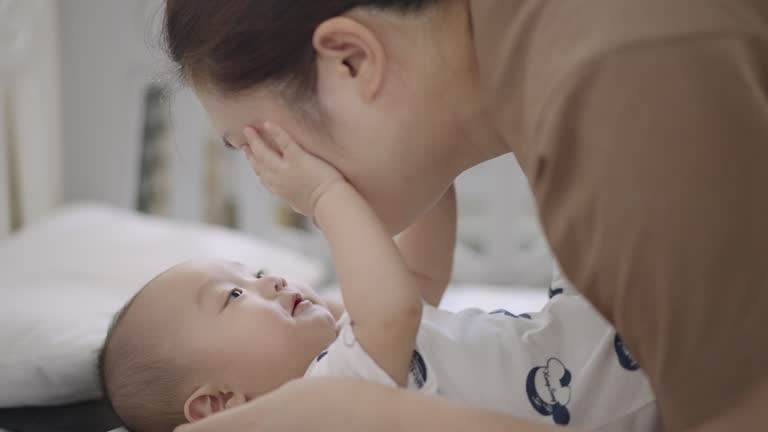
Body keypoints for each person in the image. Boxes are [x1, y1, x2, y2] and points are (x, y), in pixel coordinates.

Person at [161, 0, 768, 431]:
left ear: (351, 60)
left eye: (268, 151)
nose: (278, 185)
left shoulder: (615, 78)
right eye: (257, 155)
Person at [100, 126, 657, 432]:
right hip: (615, 379)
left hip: (593, 343)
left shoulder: (348, 346)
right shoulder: (322, 402)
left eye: (258, 271)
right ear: (218, 404)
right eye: (234, 295)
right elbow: (392, 308)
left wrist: (428, 166)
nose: (270, 281)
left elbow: (417, 271)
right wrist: (323, 196)